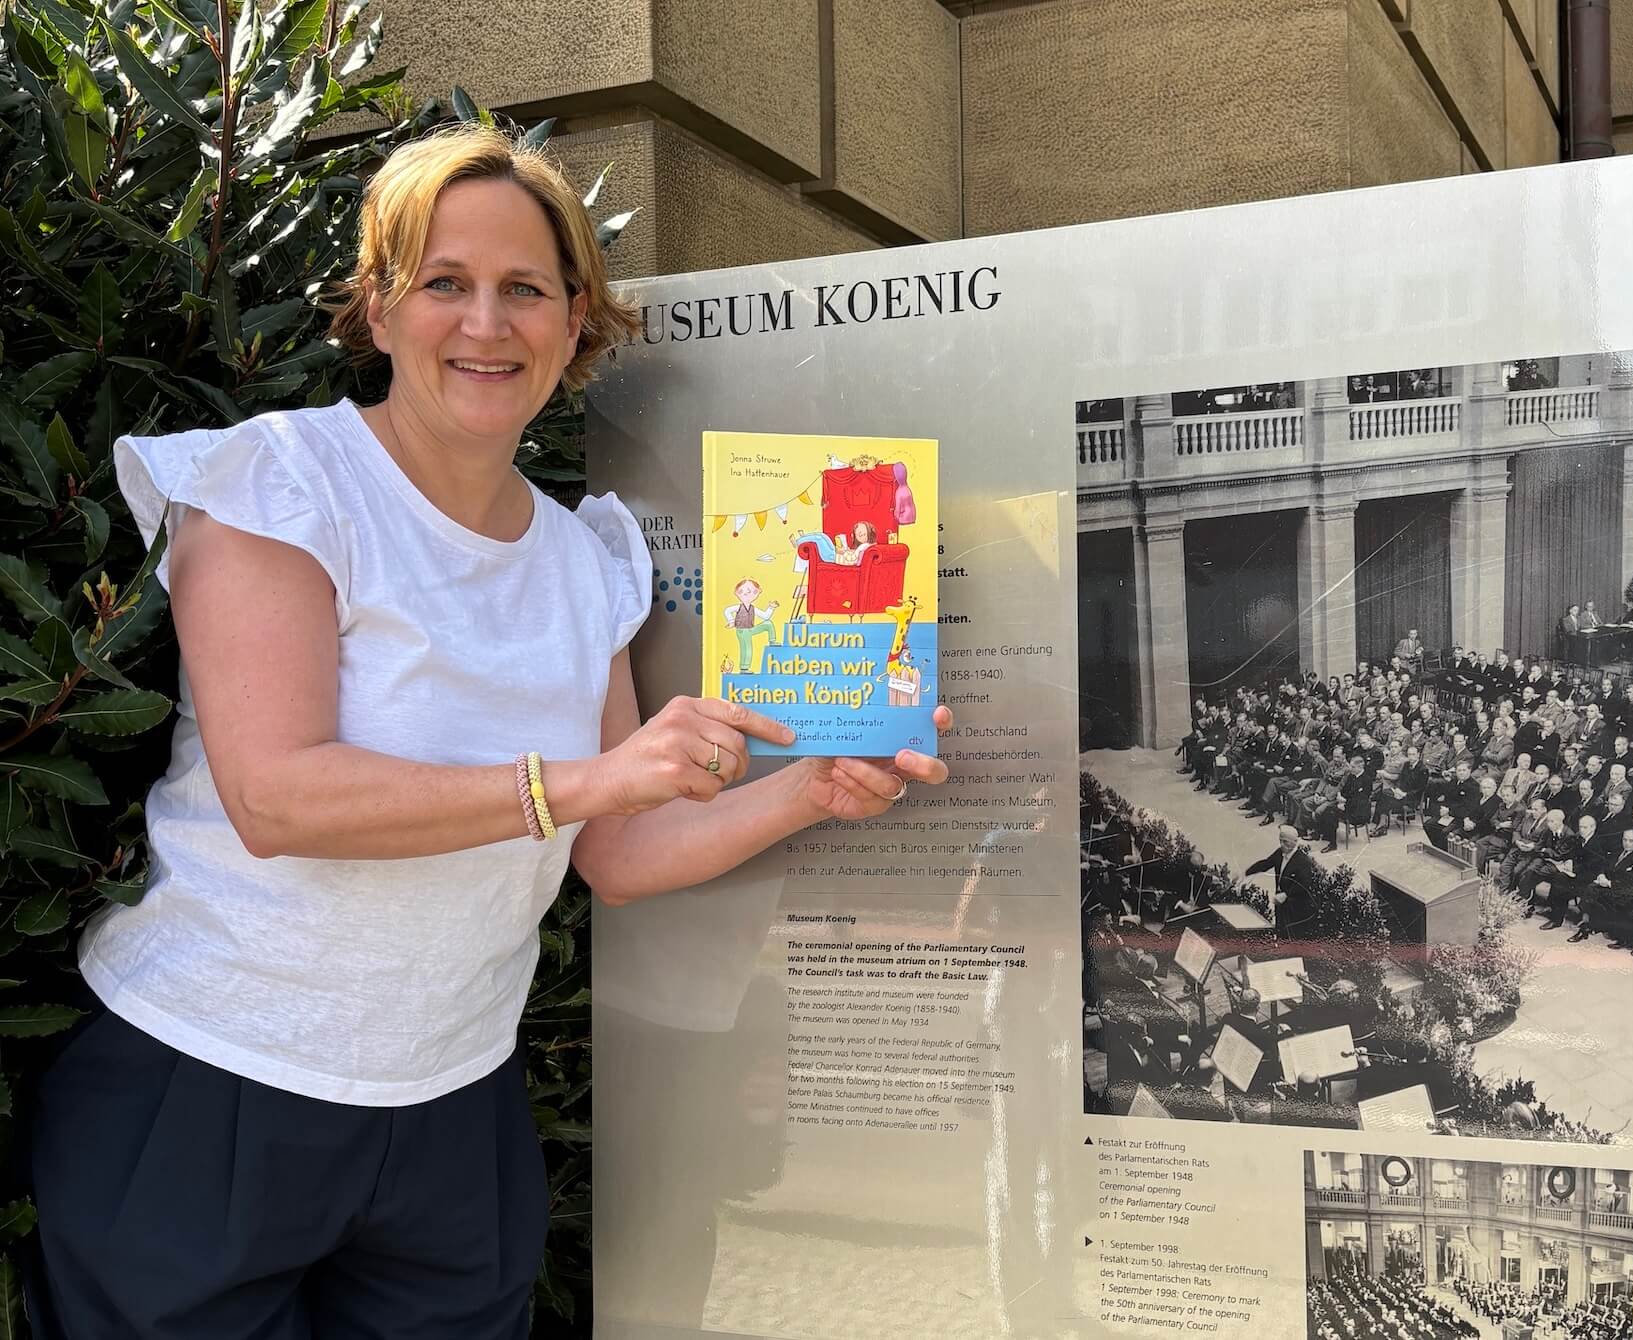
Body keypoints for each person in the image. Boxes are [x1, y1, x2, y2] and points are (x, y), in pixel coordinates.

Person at [26, 125, 954, 1337]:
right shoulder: (282, 482)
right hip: (213, 1082)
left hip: (455, 1104)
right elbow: (277, 797)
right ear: (377, 305)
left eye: (525, 288)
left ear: (575, 321)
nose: (485, 322)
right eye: (444, 282)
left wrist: (805, 788)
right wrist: (583, 779)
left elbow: (616, 851)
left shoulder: (586, 558)